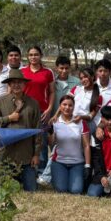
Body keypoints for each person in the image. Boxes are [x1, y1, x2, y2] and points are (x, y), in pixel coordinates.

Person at [0, 69, 42, 192]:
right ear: (9, 85)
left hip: (26, 156)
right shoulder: (1, 102)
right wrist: (9, 118)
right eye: (13, 82)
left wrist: (36, 154)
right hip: (6, 155)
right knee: (5, 189)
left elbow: (38, 131)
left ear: (24, 84)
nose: (16, 85)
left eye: (19, 82)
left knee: (31, 189)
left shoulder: (33, 104)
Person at [38, 56, 80, 185]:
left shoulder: (76, 82)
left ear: (70, 68)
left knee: (58, 148)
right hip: (49, 118)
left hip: (67, 120)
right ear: (56, 68)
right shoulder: (51, 81)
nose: (64, 71)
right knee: (45, 146)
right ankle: (42, 171)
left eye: (66, 68)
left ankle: (47, 176)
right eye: (61, 68)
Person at [21, 46, 55, 174]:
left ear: (41, 55)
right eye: (30, 55)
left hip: (42, 112)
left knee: (41, 141)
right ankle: (26, 168)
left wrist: (49, 109)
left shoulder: (48, 72)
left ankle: (41, 171)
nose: (33, 57)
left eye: (36, 54)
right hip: (25, 111)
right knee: (25, 141)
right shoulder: (22, 71)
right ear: (27, 56)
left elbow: (52, 92)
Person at [48, 95, 90, 194]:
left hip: (77, 163)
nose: (67, 107)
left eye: (70, 105)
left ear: (74, 107)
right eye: (64, 105)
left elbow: (86, 145)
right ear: (60, 106)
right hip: (59, 162)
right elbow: (51, 143)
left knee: (76, 191)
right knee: (61, 190)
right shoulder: (54, 122)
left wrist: (87, 165)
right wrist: (50, 132)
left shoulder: (80, 122)